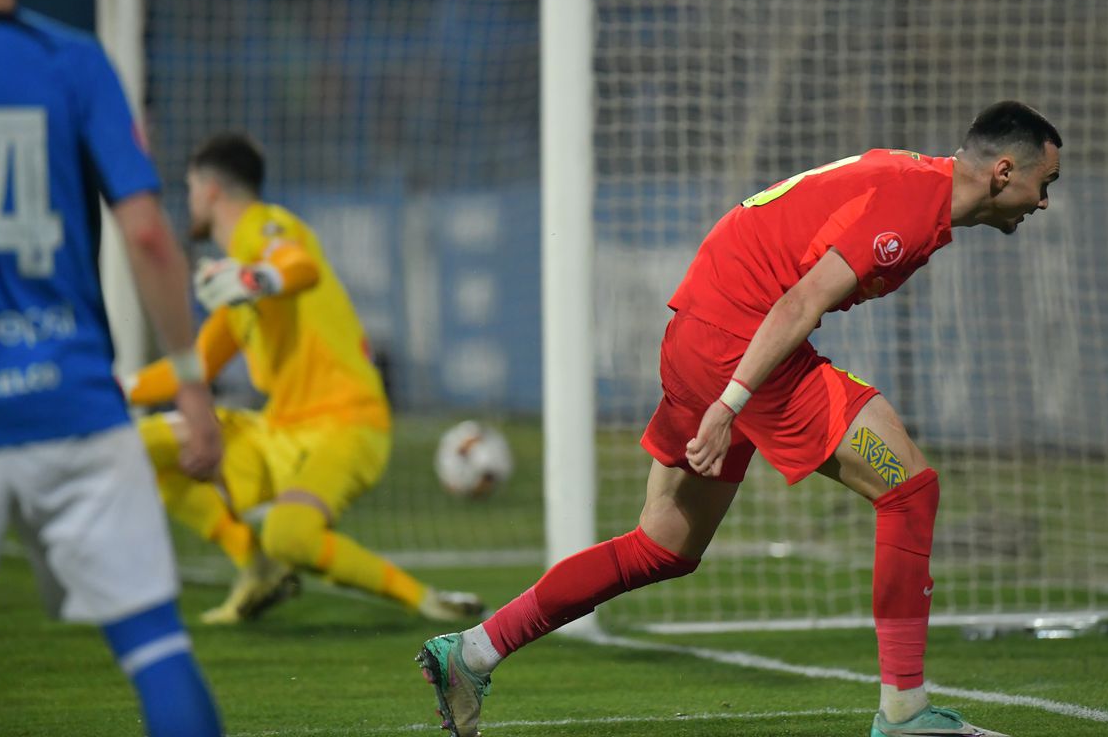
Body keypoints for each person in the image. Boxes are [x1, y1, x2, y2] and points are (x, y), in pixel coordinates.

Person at [416, 101, 1062, 737]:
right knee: (910, 491)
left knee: (661, 547)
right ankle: (905, 714)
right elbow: (802, 300)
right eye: (1044, 183)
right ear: (1004, 171)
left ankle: (472, 653)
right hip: (741, 340)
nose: (1043, 202)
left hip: (698, 329)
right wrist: (730, 404)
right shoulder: (913, 208)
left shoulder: (909, 177)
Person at [0, 0, 225, 736]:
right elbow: (149, 236)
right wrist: (190, 382)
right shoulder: (71, 61)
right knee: (157, 650)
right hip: (72, 399)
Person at [124, 131, 485, 625]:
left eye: (189, 190)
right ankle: (255, 566)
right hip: (279, 431)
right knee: (136, 445)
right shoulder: (236, 279)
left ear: (208, 190)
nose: (188, 202)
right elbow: (197, 369)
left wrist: (256, 279)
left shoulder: (264, 227)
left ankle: (425, 599)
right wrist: (114, 389)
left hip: (347, 424)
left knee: (290, 535)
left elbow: (300, 267)